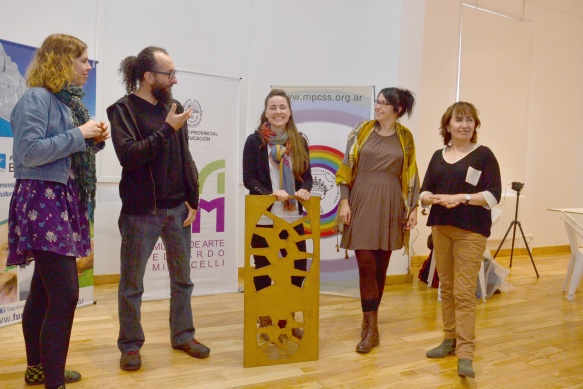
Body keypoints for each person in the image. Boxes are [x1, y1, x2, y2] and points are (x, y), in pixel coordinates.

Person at [7, 34, 109, 389]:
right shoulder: (37, 98)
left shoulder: (63, 104)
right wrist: (80, 134)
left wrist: (90, 142)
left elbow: (61, 154)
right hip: (42, 202)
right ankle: (53, 382)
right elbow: (29, 153)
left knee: (45, 292)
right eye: (82, 59)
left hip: (57, 200)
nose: (88, 66)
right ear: (61, 61)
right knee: (64, 295)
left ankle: (39, 369)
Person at [107, 46, 209, 371]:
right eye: (170, 74)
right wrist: (167, 129)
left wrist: (193, 199)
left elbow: (185, 157)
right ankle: (131, 345)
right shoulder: (122, 110)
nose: (175, 80)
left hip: (178, 209)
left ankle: (183, 335)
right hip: (141, 212)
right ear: (149, 76)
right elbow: (130, 155)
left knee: (183, 280)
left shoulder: (173, 107)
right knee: (132, 284)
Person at [420, 101, 501, 378]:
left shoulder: (484, 155)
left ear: (475, 126)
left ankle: (466, 353)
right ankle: (449, 339)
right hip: (441, 228)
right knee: (447, 289)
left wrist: (462, 198)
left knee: (465, 293)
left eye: (469, 120)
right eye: (458, 120)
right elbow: (424, 191)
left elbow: (492, 196)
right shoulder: (438, 155)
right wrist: (429, 198)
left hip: (471, 231)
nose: (464, 125)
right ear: (447, 125)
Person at [335, 87, 419, 353]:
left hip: (392, 203)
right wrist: (344, 201)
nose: (378, 106)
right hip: (361, 200)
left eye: (385, 104)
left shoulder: (406, 138)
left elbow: (413, 173)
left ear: (398, 110)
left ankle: (370, 322)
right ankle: (371, 327)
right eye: (378, 101)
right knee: (366, 263)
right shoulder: (361, 131)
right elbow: (346, 167)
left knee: (381, 265)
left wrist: (414, 208)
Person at [242, 89, 312, 340]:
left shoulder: (299, 141)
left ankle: (289, 316)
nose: (278, 111)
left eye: (282, 107)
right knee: (263, 266)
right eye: (273, 107)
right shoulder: (254, 141)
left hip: (293, 216)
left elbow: (308, 176)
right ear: (266, 112)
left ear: (289, 111)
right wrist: (271, 193)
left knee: (297, 267)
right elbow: (248, 178)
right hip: (264, 216)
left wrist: (304, 190)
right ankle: (265, 318)